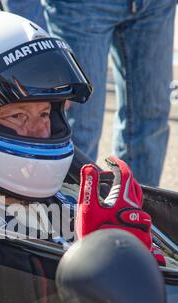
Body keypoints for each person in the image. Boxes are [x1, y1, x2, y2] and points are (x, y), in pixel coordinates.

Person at [0, 5, 164, 263]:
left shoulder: (70, 199)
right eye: (18, 116)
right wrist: (104, 259)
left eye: (44, 113)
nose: (41, 131)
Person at [40, 0, 177, 187]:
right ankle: (69, 212)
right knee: (76, 128)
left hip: (156, 6)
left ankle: (135, 211)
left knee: (150, 122)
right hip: (81, 8)